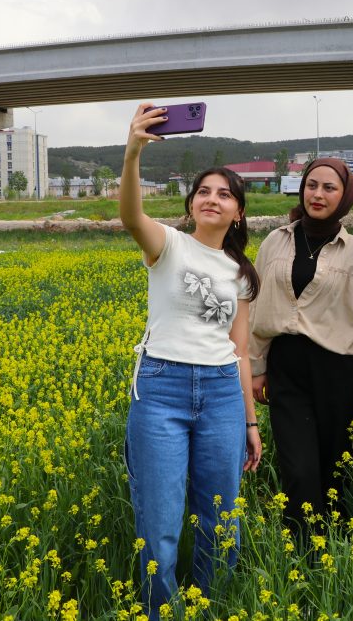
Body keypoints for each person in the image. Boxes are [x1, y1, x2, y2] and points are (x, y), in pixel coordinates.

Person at [119, 102, 262, 612]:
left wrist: (250, 422)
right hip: (162, 390)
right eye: (204, 191)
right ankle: (163, 610)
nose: (213, 199)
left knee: (222, 519)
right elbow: (130, 215)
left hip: (223, 392)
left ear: (238, 212)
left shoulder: (240, 272)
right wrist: (133, 152)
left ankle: (210, 605)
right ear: (190, 203)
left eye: (225, 194)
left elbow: (241, 351)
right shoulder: (168, 246)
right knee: (159, 524)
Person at [249, 158, 353, 531]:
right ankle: (300, 557)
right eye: (312, 185)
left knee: (335, 469)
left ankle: (333, 556)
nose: (318, 194)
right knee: (299, 469)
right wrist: (256, 368)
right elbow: (256, 310)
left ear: (345, 196)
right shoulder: (275, 241)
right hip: (287, 368)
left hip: (339, 371)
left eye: (329, 188)